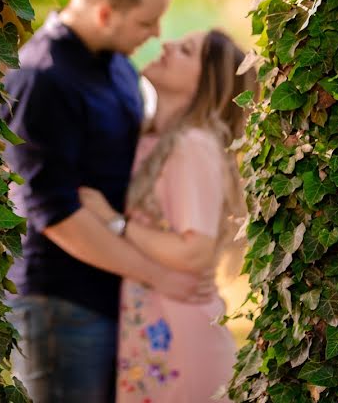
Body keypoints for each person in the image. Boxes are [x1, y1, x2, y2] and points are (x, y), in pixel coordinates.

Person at [0, 0, 214, 403]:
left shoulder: (118, 66)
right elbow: (56, 217)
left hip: (117, 297)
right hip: (59, 305)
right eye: (146, 20)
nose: (157, 33)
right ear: (103, 13)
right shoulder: (42, 78)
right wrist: (157, 274)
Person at [79, 29, 255, 402]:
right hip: (145, 338)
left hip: (179, 340)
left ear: (205, 83)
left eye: (185, 50)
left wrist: (115, 221)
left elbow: (196, 252)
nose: (168, 44)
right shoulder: (149, 138)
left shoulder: (193, 145)